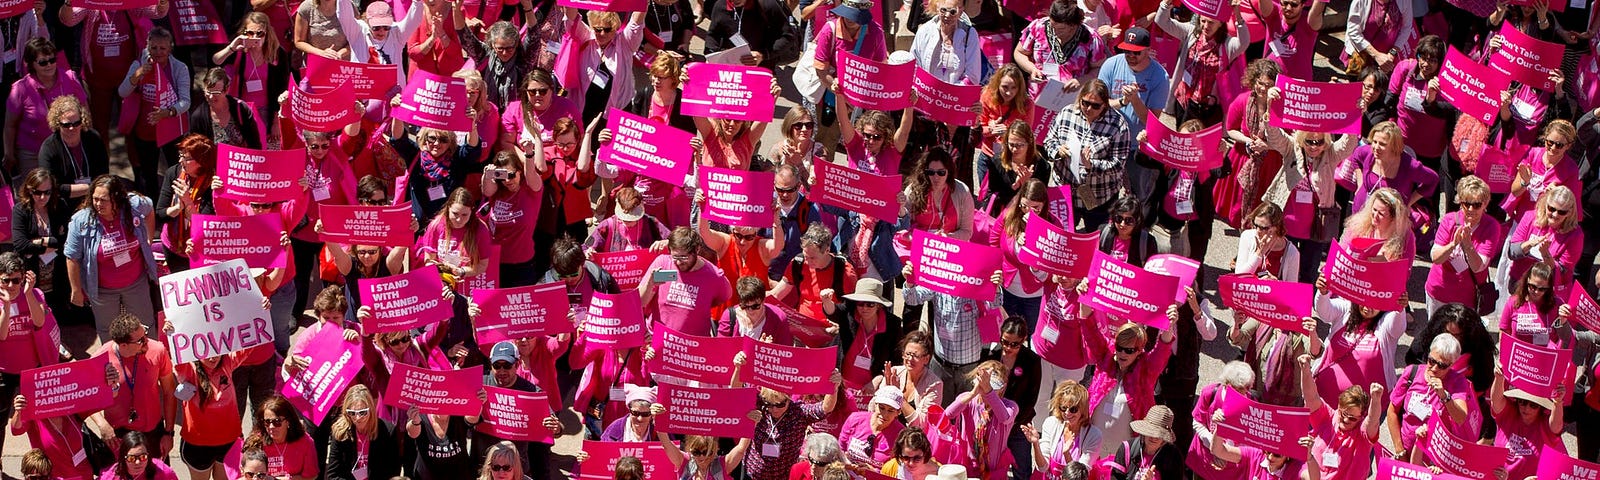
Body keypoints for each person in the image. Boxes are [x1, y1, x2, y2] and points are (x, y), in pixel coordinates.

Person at [1260, 115, 1358, 281]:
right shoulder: (1292, 148)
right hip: (1285, 224)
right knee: (1280, 270)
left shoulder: (1330, 154)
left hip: (1315, 228)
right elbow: (1275, 136)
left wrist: (1356, 115)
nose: (1314, 146)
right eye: (1309, 141)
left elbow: (1348, 144)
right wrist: (1271, 111)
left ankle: (1303, 304)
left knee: (1308, 274)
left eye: (1319, 142)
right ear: (1301, 139)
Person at [65, 175, 157, 340]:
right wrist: (76, 290)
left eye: (104, 200)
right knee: (109, 332)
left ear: (117, 198)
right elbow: (71, 256)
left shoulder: (133, 205)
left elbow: (149, 208)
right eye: (95, 199)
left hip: (136, 283)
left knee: (145, 326)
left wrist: (149, 239)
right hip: (102, 290)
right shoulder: (81, 221)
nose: (98, 204)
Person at [1077, 306, 1177, 451]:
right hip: (1092, 445)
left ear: (1139, 350)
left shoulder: (1146, 370)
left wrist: (1169, 324)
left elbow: (1162, 349)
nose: (1122, 353)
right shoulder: (1106, 355)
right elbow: (1089, 329)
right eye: (1119, 347)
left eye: (1129, 350)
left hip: (1125, 452)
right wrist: (1084, 299)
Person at [1043, 80, 1132, 227]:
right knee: (1063, 234)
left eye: (1095, 106)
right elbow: (1049, 141)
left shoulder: (1118, 125)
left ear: (1105, 104)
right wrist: (1057, 150)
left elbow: (1118, 166)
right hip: (1066, 193)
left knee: (1094, 237)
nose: (1089, 108)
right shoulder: (1067, 113)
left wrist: (1092, 165)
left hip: (1097, 196)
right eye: (1085, 103)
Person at [1309, 274, 1405, 410]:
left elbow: (1397, 328)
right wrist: (1323, 293)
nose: (1368, 307)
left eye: (1375, 304)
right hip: (1323, 398)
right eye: (1365, 301)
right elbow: (1324, 312)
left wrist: (1400, 309)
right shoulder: (1345, 309)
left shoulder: (1386, 321)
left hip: (1363, 410)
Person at [116, 27, 189, 197]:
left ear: (170, 48)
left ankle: (175, 206)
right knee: (149, 174)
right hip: (145, 129)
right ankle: (154, 209)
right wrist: (137, 75)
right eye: (154, 48)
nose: (158, 52)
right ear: (148, 47)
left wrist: (168, 112)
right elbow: (122, 92)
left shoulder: (179, 68)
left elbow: (186, 101)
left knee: (176, 170)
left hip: (171, 129)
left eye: (163, 48)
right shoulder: (138, 65)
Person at [1154, 0, 1251, 125]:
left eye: (1211, 22)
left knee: (1204, 142)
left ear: (1220, 23)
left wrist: (1237, 14)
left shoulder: (1227, 44)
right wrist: (1166, 3)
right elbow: (1162, 21)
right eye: (1203, 21)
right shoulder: (1191, 32)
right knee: (1183, 137)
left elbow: (1244, 43)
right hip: (1184, 100)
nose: (1206, 26)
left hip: (1209, 106)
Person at [5, 38, 87, 178]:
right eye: (43, 62)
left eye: (52, 60)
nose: (49, 65)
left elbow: (85, 113)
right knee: (37, 195)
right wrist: (9, 154)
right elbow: (10, 125)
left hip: (68, 148)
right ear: (31, 64)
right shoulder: (20, 88)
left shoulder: (70, 78)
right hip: (32, 153)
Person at [97, 313, 176, 457]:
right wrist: (102, 424)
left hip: (152, 431)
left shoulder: (158, 350)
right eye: (140, 340)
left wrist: (169, 433)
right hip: (117, 434)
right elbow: (85, 398)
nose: (146, 341)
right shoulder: (101, 357)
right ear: (123, 345)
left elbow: (169, 392)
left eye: (145, 333)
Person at [1386, 334, 1475, 459]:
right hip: (1407, 450)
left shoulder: (1458, 382)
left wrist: (1444, 396)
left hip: (1436, 458)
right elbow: (1392, 411)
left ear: (1451, 365)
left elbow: (1460, 418)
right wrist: (1399, 450)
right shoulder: (1412, 373)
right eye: (1431, 361)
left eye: (1442, 365)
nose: (1434, 368)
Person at [1297, 354, 1382, 480]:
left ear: (1360, 417)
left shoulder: (1362, 434)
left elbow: (1373, 421)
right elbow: (1311, 397)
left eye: (1353, 418)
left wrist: (1376, 399)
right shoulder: (1327, 417)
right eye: (1344, 414)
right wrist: (1305, 369)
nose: (1347, 420)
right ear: (1339, 406)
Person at [1424, 177, 1501, 315]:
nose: (1471, 209)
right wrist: (1453, 244)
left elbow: (1478, 267)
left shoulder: (1491, 227)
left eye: (1477, 205)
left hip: (1467, 299)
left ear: (1485, 204)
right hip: (1439, 291)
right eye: (1466, 204)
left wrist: (1468, 245)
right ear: (1460, 202)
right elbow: (1436, 258)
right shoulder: (1449, 220)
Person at [639, 227, 734, 337]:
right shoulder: (663, 263)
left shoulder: (714, 275)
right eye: (675, 257)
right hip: (659, 341)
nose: (679, 262)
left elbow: (724, 297)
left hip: (691, 347)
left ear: (697, 250)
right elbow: (640, 302)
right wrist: (649, 285)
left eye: (684, 257)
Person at [1222, 60, 1284, 224]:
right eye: (1260, 83)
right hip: (1244, 156)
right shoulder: (1242, 100)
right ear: (1253, 80)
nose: (1263, 88)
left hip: (1271, 161)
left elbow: (1290, 140)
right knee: (1238, 197)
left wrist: (1268, 146)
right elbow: (1230, 129)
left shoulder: (1282, 107)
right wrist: (1248, 141)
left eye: (1269, 84)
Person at [1502, 186, 1585, 299]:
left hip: (1548, 290)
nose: (1555, 214)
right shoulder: (1530, 217)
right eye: (1551, 209)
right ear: (1546, 204)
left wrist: (1545, 254)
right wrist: (1530, 244)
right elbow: (1512, 252)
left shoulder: (1575, 234)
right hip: (1521, 281)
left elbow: (1563, 270)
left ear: (1569, 212)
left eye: (1561, 212)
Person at [1014, 0, 1108, 98]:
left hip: (1072, 99)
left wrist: (1081, 80)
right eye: (1052, 26)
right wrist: (1032, 69)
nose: (1054, 31)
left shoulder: (1091, 38)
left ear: (1073, 26)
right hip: (1038, 97)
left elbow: (1099, 68)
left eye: (1060, 29)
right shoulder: (1037, 27)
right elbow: (1019, 52)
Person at [12, 169, 74, 316]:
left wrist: (44, 241)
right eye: (37, 192)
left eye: (47, 192)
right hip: (32, 272)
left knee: (59, 315)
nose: (42, 197)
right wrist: (51, 245)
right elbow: (20, 245)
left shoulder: (60, 205)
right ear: (29, 190)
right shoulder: (20, 210)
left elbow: (68, 239)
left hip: (57, 273)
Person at [1484, 371, 1566, 480]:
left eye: (1533, 405)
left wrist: (1558, 402)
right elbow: (1496, 402)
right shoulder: (1508, 413)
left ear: (1541, 407)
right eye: (1522, 402)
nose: (1526, 408)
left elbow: (1556, 426)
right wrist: (1499, 377)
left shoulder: (1545, 426)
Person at [153, 134, 216, 273]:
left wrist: (188, 201)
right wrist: (177, 208)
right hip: (172, 245)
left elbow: (205, 225)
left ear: (201, 162)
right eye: (180, 155)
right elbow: (160, 214)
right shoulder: (173, 172)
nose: (180, 160)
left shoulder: (212, 184)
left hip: (199, 248)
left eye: (186, 158)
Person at [212, 12, 287, 127]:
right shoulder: (239, 50)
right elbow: (216, 60)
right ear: (244, 33)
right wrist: (231, 48)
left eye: (260, 33)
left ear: (267, 34)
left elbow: (283, 87)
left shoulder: (277, 52)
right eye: (250, 33)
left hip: (266, 110)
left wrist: (276, 122)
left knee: (262, 143)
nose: (255, 37)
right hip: (241, 109)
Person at [1186, 362, 1256, 479]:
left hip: (1233, 465)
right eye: (1239, 388)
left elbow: (1251, 437)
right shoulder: (1210, 393)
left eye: (1248, 387)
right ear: (1227, 384)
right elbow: (1197, 423)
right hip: (1206, 459)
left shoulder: (1252, 401)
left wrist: (1226, 453)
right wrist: (1216, 450)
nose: (1245, 392)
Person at [1022, 380, 1102, 478]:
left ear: (1082, 409)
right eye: (1063, 408)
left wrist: (1066, 453)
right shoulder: (1051, 423)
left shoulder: (1094, 435)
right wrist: (1035, 444)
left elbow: (1079, 477)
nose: (1067, 413)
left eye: (1073, 409)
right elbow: (1043, 468)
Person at [1506, 120, 1582, 220]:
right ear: (1545, 139)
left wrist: (1556, 195)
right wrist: (1525, 182)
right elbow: (1515, 192)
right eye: (1550, 142)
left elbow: (1570, 205)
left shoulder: (1571, 169)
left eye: (1559, 145)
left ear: (1568, 146)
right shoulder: (1533, 154)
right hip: (1520, 216)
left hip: (1546, 221)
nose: (1553, 148)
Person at [326, 385, 402, 480]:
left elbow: (393, 471)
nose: (357, 418)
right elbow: (333, 474)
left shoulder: (387, 431)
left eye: (362, 412)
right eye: (352, 413)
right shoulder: (340, 432)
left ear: (370, 409)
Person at [37, 96, 106, 200]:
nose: (71, 128)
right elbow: (51, 187)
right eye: (66, 125)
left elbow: (103, 173)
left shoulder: (93, 138)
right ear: (57, 123)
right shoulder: (49, 148)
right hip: (63, 203)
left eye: (76, 123)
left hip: (95, 199)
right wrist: (89, 188)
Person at [976, 124, 1050, 218]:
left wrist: (1026, 185)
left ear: (1030, 143)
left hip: (1027, 217)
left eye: (1020, 145)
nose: (1014, 149)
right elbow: (990, 196)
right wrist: (1015, 187)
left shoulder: (1042, 166)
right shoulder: (997, 162)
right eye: (1011, 144)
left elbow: (1041, 200)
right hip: (1001, 216)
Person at [902, 148, 975, 240]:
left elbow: (967, 231)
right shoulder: (913, 190)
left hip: (948, 245)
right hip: (917, 242)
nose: (936, 177)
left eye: (941, 172)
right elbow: (901, 226)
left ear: (949, 172)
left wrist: (947, 237)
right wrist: (916, 237)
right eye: (931, 172)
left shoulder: (962, 192)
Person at [976, 65, 1033, 179]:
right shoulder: (987, 96)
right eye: (1005, 87)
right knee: (986, 196)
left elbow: (1026, 135)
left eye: (1014, 88)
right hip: (988, 156)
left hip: (1012, 159)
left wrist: (1006, 132)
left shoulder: (1027, 104)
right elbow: (979, 129)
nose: (1008, 92)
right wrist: (991, 129)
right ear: (998, 85)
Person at [1500, 263, 1575, 349]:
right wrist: (1503, 357)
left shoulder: (1556, 304)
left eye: (1542, 289)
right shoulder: (1513, 302)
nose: (1536, 292)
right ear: (1527, 281)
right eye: (1532, 286)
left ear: (1548, 288)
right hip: (1519, 357)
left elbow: (1561, 333)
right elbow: (1504, 332)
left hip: (1544, 356)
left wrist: (1562, 319)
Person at [243, 396, 318, 480]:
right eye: (267, 422)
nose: (271, 426)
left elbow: (311, 476)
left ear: (288, 421)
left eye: (277, 422)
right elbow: (246, 475)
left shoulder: (305, 441)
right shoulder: (255, 442)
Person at [837, 96, 914, 177]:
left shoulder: (892, 151)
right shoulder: (856, 144)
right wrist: (838, 95)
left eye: (877, 137)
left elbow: (904, 131)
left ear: (885, 136)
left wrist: (910, 104)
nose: (871, 141)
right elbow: (843, 122)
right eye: (867, 135)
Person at [186, 68, 263, 149]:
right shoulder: (198, 117)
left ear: (226, 90)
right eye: (208, 92)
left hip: (241, 160)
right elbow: (195, 148)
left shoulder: (241, 109)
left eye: (216, 93)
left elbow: (255, 144)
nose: (211, 97)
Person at [1104, 406, 1181, 480]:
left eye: (1159, 434)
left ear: (1164, 438)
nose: (1154, 437)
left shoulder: (1173, 455)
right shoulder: (1126, 448)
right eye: (1151, 432)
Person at [838, 389, 906, 469]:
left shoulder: (901, 434)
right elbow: (840, 448)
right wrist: (845, 462)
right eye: (881, 408)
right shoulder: (855, 418)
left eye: (890, 411)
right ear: (875, 405)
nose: (884, 414)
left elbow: (896, 469)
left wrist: (873, 471)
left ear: (898, 412)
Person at [1233, 202, 1299, 281]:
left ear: (1276, 227)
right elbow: (1238, 276)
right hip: (1248, 292)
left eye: (1263, 228)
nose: (1257, 231)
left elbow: (1292, 288)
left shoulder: (1292, 252)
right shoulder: (1248, 237)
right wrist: (1259, 253)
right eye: (1255, 225)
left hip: (1274, 293)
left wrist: (1276, 282)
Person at [1343, 0, 1412, 73]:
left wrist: (1392, 53)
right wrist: (1377, 55)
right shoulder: (1360, 1)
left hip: (1387, 60)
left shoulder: (1404, 1)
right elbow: (1353, 32)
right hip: (1361, 57)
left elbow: (1406, 27)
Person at [1096, 197, 1157, 266]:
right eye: (1119, 218)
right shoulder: (1103, 232)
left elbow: (1152, 270)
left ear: (1137, 221)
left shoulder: (1147, 242)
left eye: (1129, 220)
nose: (1122, 224)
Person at [98, 431, 179, 480]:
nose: (137, 462)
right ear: (123, 458)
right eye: (131, 458)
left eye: (143, 457)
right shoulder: (109, 476)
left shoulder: (164, 472)